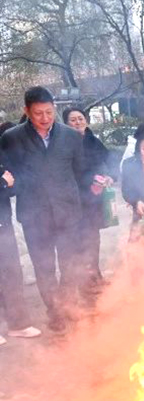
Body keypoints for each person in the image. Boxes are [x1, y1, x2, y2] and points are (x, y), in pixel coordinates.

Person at [0, 87, 88, 332]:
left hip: (68, 213)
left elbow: (79, 172)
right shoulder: (11, 138)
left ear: (54, 109)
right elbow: (9, 174)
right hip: (34, 216)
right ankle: (55, 312)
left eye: (49, 112)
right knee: (44, 267)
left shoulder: (71, 136)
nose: (45, 118)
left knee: (70, 265)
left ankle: (68, 306)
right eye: (38, 113)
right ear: (27, 111)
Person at [63, 107, 115, 293]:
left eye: (80, 118)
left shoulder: (93, 140)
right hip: (74, 200)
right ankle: (83, 281)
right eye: (73, 120)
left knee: (93, 238)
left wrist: (109, 176)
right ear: (66, 124)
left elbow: (110, 160)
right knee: (79, 241)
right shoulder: (64, 144)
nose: (78, 122)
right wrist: (89, 179)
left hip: (94, 200)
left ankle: (94, 276)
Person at [0, 121, 42, 344]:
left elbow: (13, 185)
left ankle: (18, 324)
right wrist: (2, 183)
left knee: (12, 274)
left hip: (2, 224)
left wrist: (8, 184)